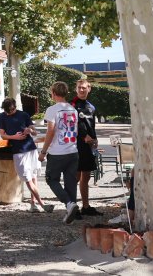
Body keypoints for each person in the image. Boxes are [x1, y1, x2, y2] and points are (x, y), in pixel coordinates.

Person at [0, 97, 50, 213]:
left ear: (15, 106)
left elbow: (34, 131)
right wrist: (14, 137)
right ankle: (42, 204)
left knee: (33, 176)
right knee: (27, 178)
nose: (11, 112)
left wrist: (30, 131)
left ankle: (33, 204)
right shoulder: (2, 117)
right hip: (18, 151)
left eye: (13, 109)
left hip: (30, 148)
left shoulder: (24, 115)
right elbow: (2, 135)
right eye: (9, 110)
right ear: (5, 109)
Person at [39, 81, 82, 224]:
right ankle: (71, 209)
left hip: (57, 152)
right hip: (72, 150)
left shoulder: (52, 110)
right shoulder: (73, 109)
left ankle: (69, 204)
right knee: (70, 182)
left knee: (51, 179)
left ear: (53, 93)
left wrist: (43, 151)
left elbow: (50, 131)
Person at [72, 78, 101, 216]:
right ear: (76, 89)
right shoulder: (72, 104)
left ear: (89, 89)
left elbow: (92, 125)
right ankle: (72, 207)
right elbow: (73, 124)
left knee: (87, 176)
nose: (82, 90)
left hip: (89, 146)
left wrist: (94, 138)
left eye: (84, 88)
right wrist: (83, 136)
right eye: (79, 88)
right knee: (75, 177)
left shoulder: (91, 106)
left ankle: (86, 206)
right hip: (77, 144)